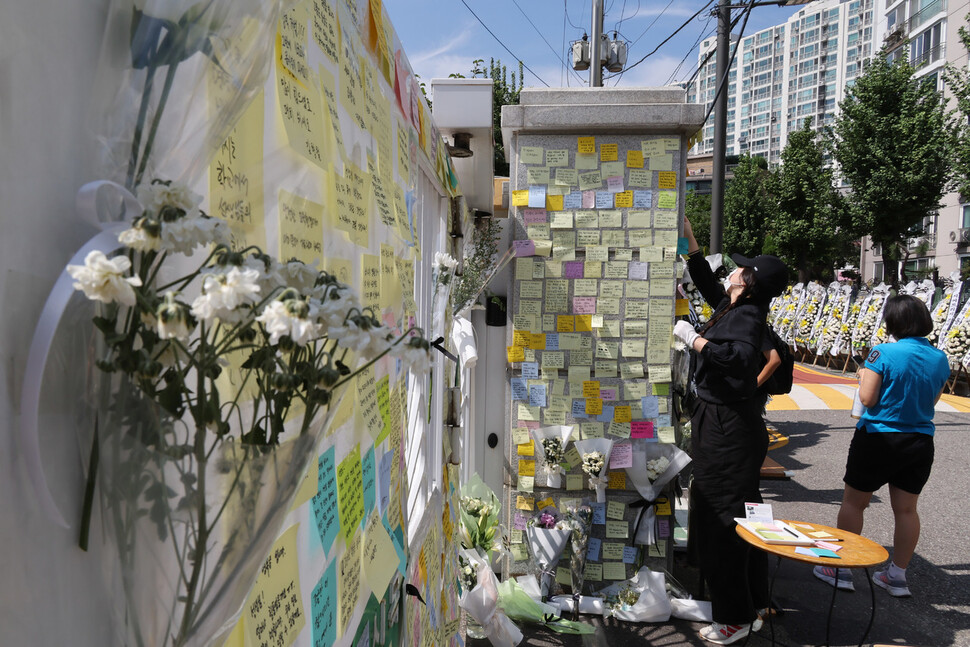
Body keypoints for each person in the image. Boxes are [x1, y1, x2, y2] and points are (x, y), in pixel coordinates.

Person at [674, 217, 789, 645]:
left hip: (728, 430)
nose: (732, 271)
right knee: (735, 515)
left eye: (740, 269)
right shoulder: (735, 306)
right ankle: (753, 601)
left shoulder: (746, 318)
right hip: (724, 424)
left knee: (724, 520)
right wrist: (690, 240)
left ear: (750, 283)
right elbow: (707, 284)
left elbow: (740, 359)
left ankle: (735, 617)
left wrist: (694, 340)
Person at [813, 295, 949, 597]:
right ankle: (897, 576)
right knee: (906, 510)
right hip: (920, 441)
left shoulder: (882, 353)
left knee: (853, 502)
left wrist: (862, 375)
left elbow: (868, 399)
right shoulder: (940, 358)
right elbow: (933, 400)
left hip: (878, 437)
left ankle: (841, 568)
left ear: (892, 322)